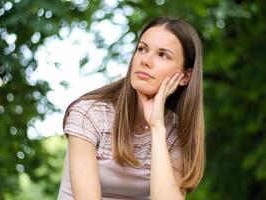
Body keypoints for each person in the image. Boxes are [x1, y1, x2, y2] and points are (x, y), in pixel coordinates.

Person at [57, 16, 205, 200]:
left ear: (185, 77)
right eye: (142, 49)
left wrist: (157, 128)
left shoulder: (174, 130)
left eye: (163, 55)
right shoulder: (89, 114)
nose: (146, 60)